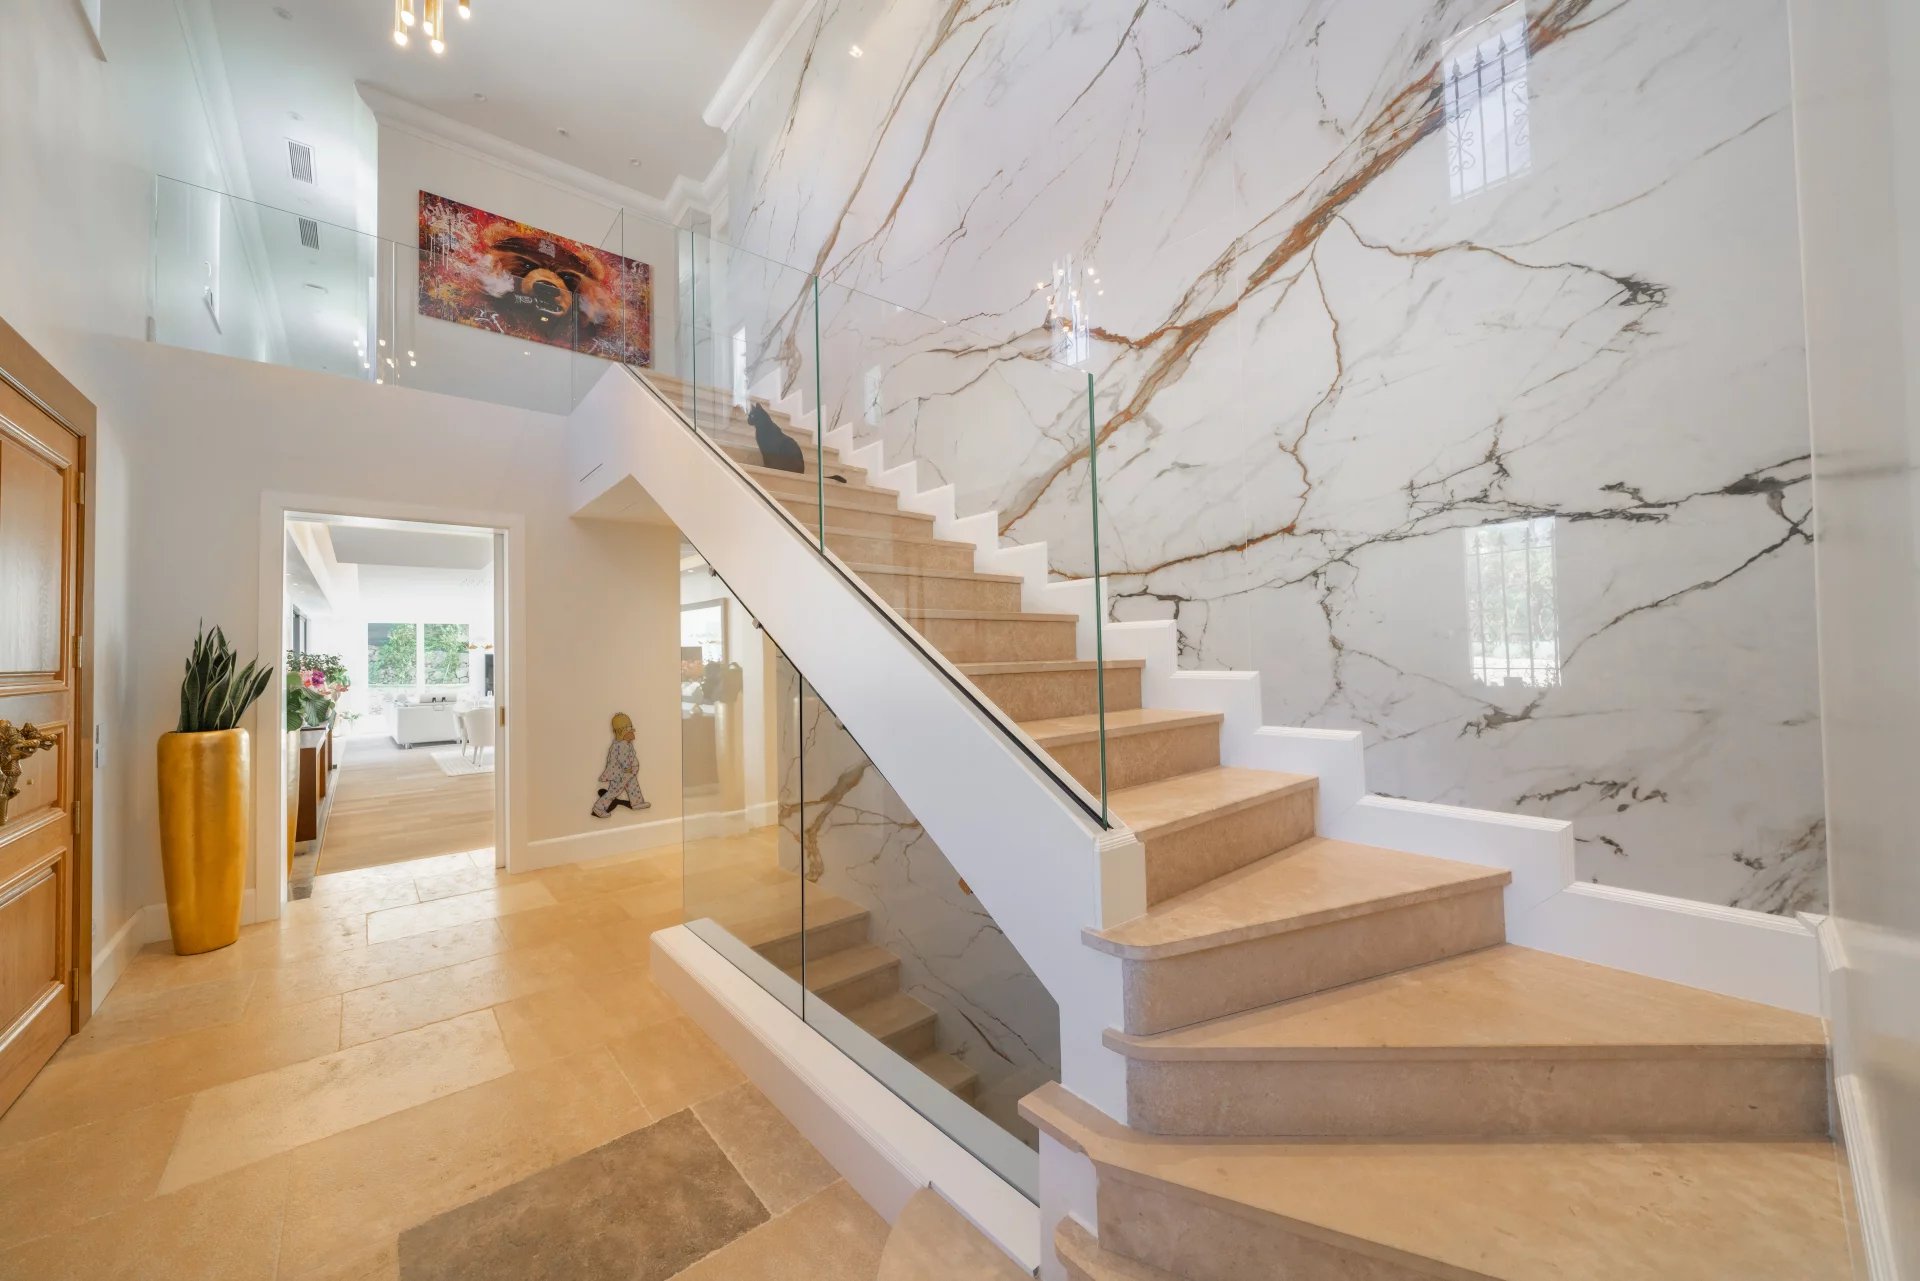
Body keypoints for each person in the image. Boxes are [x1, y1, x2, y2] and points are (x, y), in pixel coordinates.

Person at [592, 711, 650, 818]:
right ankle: (598, 807)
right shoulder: (620, 745)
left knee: (633, 786)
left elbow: (631, 755)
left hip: (628, 773)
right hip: (620, 774)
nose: (633, 735)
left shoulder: (626, 743)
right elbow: (623, 759)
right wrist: (628, 768)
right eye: (630, 732)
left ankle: (637, 802)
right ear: (622, 733)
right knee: (614, 791)